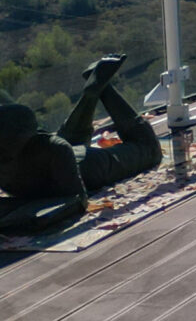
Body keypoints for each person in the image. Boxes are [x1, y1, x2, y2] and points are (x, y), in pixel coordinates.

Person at [0, 54, 165, 237]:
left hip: (89, 165)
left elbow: (77, 200)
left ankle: (100, 89)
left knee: (149, 150)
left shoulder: (53, 148)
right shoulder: (47, 147)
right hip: (57, 159)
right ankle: (93, 91)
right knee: (67, 141)